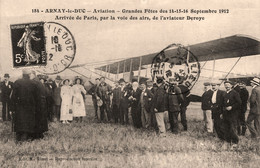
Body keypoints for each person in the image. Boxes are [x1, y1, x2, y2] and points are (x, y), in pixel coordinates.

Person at [10, 70, 38, 142]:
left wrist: (12, 108)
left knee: (20, 121)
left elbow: (13, 96)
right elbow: (36, 97)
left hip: (19, 106)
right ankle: (27, 137)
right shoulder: (34, 83)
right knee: (29, 121)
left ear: (22, 74)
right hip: (30, 106)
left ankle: (19, 138)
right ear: (29, 75)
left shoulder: (17, 82)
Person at [222, 80, 241, 145]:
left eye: (228, 84)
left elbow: (239, 103)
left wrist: (232, 107)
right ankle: (227, 141)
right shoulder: (224, 93)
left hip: (233, 114)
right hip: (225, 113)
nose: (227, 86)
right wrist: (222, 113)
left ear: (231, 85)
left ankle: (235, 142)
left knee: (232, 128)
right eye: (225, 85)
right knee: (226, 127)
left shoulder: (235, 93)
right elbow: (223, 104)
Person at [31, 72, 48, 139]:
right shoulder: (39, 82)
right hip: (41, 103)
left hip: (38, 103)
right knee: (40, 119)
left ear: (34, 75)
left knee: (37, 119)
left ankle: (36, 135)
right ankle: (40, 135)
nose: (29, 76)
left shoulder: (34, 82)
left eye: (31, 75)